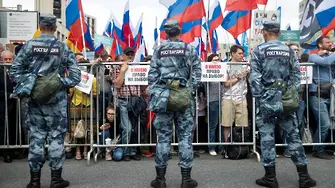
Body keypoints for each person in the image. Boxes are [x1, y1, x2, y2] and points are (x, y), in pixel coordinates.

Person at [10, 14, 81, 188]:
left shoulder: (29, 46)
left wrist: (31, 85)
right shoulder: (63, 47)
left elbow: (15, 70)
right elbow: (75, 76)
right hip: (56, 101)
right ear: (55, 29)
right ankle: (56, 180)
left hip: (35, 101)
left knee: (36, 138)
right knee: (56, 138)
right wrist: (57, 84)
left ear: (40, 27)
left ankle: (34, 181)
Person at [250, 22, 316, 188]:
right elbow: (296, 75)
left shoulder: (259, 50)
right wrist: (291, 95)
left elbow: (255, 78)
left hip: (267, 99)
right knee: (293, 136)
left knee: (266, 138)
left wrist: (260, 97)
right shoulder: (289, 50)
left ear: (264, 32)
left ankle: (270, 178)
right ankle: (304, 177)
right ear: (278, 33)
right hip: (286, 99)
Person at [148, 20, 201, 188]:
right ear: (179, 31)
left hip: (163, 97)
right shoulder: (189, 49)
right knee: (185, 137)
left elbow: (152, 75)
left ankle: (160, 180)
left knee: (163, 138)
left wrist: (157, 92)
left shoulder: (158, 50)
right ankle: (186, 180)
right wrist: (189, 90)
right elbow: (197, 73)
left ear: (166, 33)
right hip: (183, 97)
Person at [308, 36, 335, 160]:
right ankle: (318, 149)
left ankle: (323, 146)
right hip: (317, 95)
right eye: (327, 42)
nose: (330, 44)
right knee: (324, 124)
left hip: (329, 94)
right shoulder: (313, 56)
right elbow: (326, 62)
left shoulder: (329, 56)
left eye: (331, 42)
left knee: (328, 124)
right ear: (319, 45)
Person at [0, 51, 16, 163]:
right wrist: (9, 95)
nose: (8, 61)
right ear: (1, 60)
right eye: (5, 59)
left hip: (15, 105)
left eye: (10, 59)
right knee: (3, 129)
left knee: (13, 128)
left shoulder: (16, 71)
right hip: (2, 104)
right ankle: (6, 153)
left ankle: (13, 150)